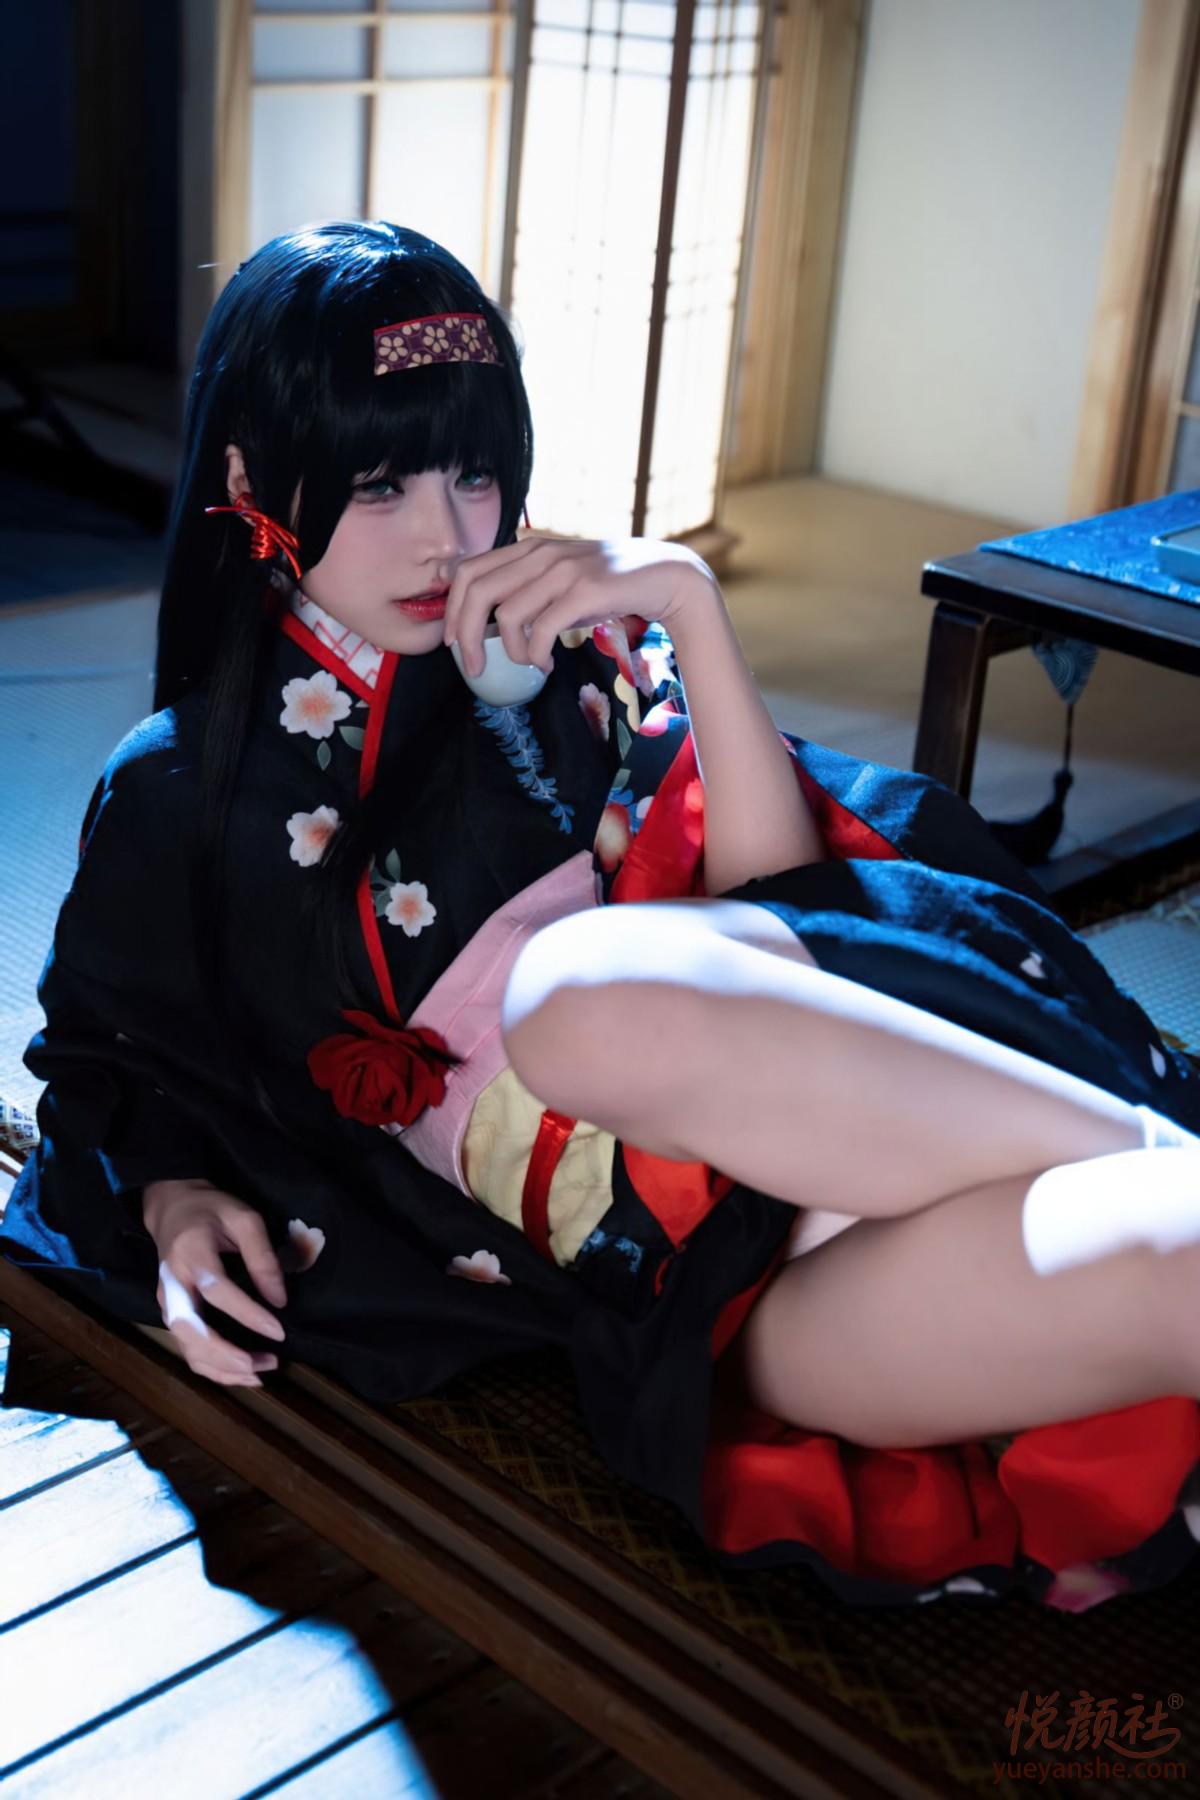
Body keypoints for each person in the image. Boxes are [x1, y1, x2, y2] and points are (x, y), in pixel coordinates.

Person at [3, 219, 1199, 1615]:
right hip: (723, 1303)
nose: (450, 535)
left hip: (839, 1100)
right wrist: (172, 1196)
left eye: (474, 472)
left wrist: (688, 606)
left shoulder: (570, 654)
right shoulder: (174, 791)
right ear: (247, 477)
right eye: (381, 482)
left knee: (574, 1004)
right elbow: (113, 1055)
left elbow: (791, 904)